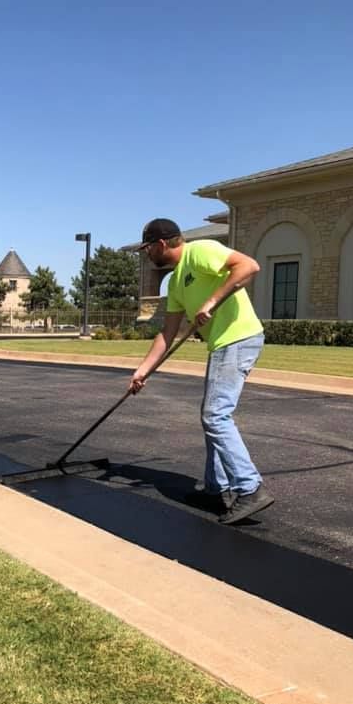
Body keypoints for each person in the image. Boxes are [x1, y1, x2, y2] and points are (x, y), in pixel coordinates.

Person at [129, 218, 274, 525]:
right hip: (222, 345)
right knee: (212, 414)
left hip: (238, 338)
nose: (147, 255)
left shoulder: (201, 251)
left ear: (161, 244)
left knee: (215, 415)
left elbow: (248, 266)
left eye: (147, 249)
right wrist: (142, 371)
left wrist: (211, 300)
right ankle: (215, 488)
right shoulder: (177, 281)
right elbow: (167, 334)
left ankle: (249, 489)